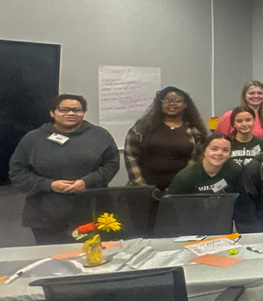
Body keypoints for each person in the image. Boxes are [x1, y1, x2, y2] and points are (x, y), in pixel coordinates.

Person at [9, 94, 120, 244]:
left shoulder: (100, 135)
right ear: (52, 112)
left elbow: (111, 164)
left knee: (94, 256)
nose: (71, 113)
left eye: (77, 110)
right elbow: (17, 172)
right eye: (64, 109)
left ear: (83, 113)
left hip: (91, 209)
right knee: (54, 259)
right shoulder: (33, 138)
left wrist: (86, 182)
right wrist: (49, 184)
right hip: (45, 213)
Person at [123, 86, 208, 190]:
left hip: (180, 191)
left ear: (185, 105)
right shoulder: (142, 128)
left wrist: (177, 188)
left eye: (177, 100)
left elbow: (194, 163)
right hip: (144, 190)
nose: (171, 104)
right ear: (160, 104)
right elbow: (131, 156)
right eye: (167, 100)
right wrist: (142, 187)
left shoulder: (195, 133)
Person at [167, 133, 242, 195]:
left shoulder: (235, 171)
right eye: (214, 149)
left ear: (230, 154)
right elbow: (172, 206)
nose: (219, 153)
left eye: (225, 150)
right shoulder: (184, 177)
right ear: (204, 151)